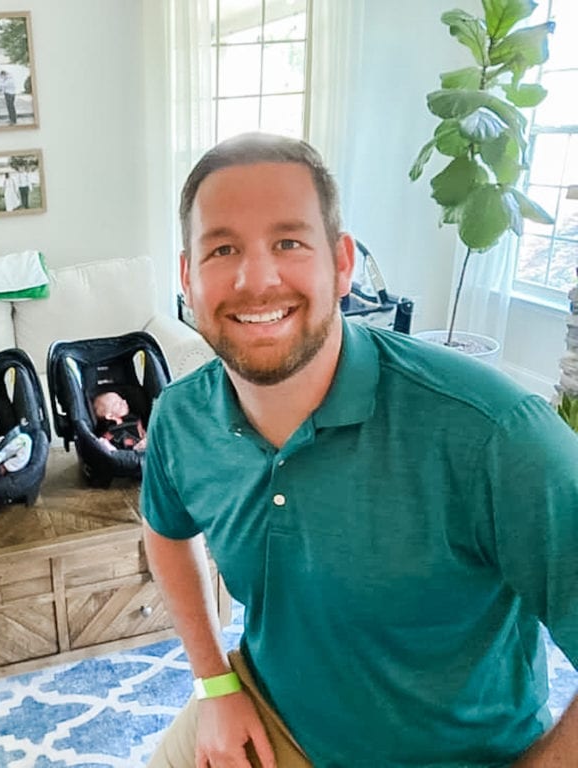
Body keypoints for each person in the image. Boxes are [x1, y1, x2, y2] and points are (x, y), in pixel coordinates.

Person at [142, 132, 578, 767]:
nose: (255, 278)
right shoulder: (181, 419)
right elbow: (165, 533)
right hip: (273, 719)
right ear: (188, 277)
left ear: (342, 264)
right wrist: (215, 683)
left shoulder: (493, 434)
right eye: (222, 248)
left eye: (288, 242)